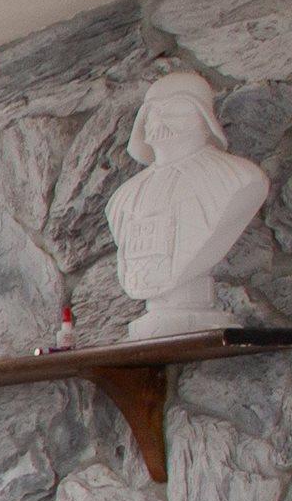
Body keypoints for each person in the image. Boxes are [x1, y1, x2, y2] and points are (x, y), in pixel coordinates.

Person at [106, 70, 268, 340]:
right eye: (153, 112)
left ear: (204, 118)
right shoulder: (122, 199)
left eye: (176, 109)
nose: (160, 120)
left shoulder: (238, 179)